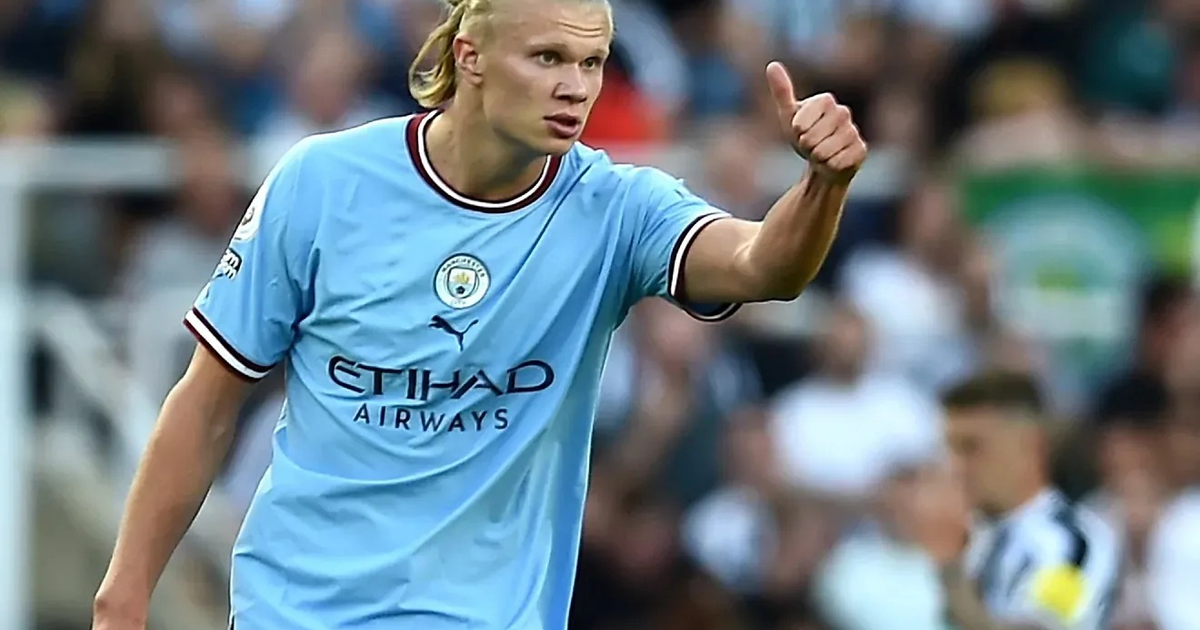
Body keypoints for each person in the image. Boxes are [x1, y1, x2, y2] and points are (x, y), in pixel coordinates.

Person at [91, 0, 867, 627]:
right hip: (300, 611)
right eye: (549, 58)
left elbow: (765, 266)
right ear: (469, 56)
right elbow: (206, 405)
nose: (577, 87)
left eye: (591, 62)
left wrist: (822, 187)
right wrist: (122, 594)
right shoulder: (321, 183)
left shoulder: (617, 208)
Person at [914, 371, 1121, 630]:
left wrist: (950, 570)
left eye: (971, 448)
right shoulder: (967, 535)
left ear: (1029, 447)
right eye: (950, 449)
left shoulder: (1072, 542)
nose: (955, 466)